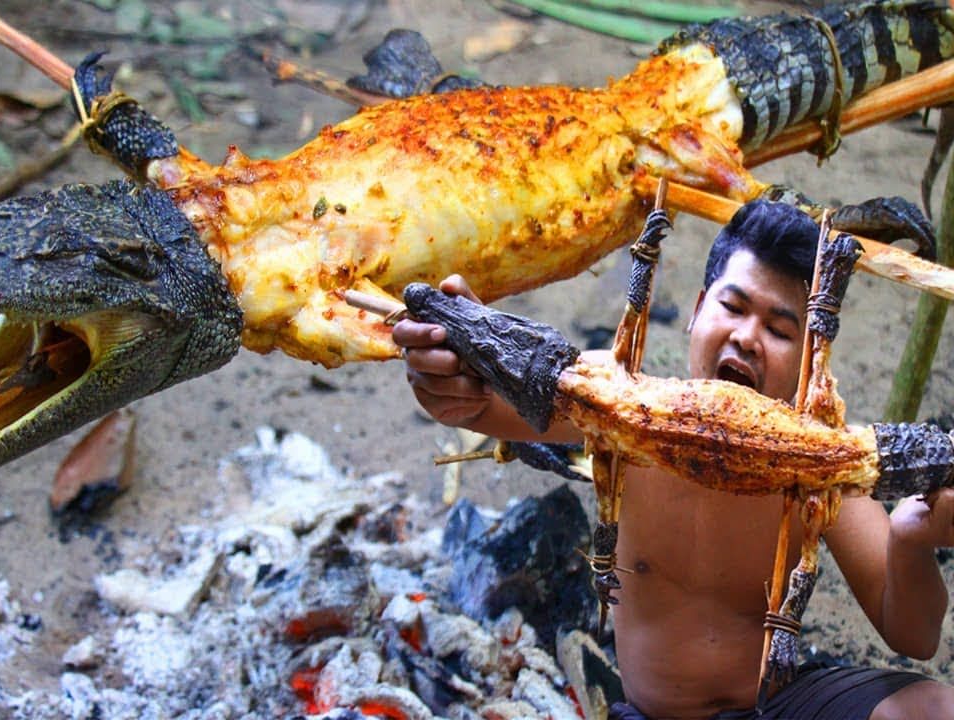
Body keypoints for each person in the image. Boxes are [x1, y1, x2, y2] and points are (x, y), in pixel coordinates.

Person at [392, 200, 954, 720]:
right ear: (695, 311)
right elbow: (480, 403)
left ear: (810, 361)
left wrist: (912, 539)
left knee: (934, 707)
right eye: (732, 306)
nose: (747, 337)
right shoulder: (618, 402)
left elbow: (915, 636)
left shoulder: (819, 468)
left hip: (773, 706)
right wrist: (448, 358)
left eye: (781, 330)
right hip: (653, 712)